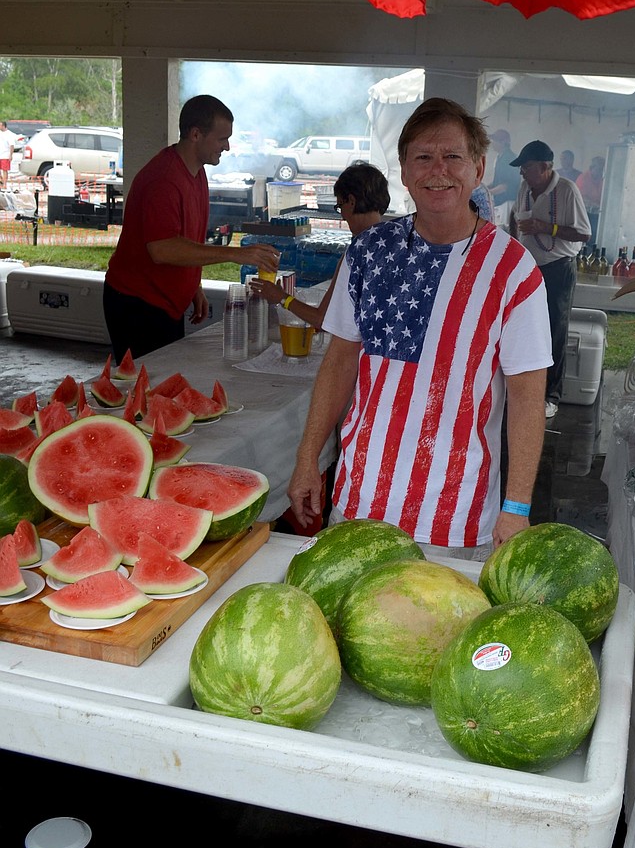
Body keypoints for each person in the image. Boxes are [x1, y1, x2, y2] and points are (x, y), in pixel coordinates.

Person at [287, 97, 552, 557]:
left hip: (454, 519)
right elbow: (339, 361)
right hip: (358, 503)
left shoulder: (513, 269)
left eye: (453, 156)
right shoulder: (369, 251)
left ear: (478, 168)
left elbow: (528, 394)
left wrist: (517, 505)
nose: (438, 171)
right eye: (423, 158)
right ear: (405, 172)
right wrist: (308, 457)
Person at [103, 94, 280, 360]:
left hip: (164, 302)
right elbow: (162, 249)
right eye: (222, 139)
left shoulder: (196, 172)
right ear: (196, 134)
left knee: (165, 385)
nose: (228, 147)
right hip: (137, 303)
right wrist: (236, 254)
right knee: (145, 390)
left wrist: (193, 285)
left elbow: (185, 238)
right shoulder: (163, 180)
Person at [250, 161, 390, 328]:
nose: (343, 217)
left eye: (340, 206)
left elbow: (322, 320)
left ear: (351, 201)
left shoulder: (357, 252)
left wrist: (281, 298)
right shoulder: (398, 243)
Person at [510, 139, 591, 419]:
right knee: (523, 327)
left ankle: (551, 395)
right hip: (528, 268)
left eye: (527, 167)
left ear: (545, 167)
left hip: (558, 267)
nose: (522, 172)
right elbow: (515, 219)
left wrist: (546, 227)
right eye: (521, 167)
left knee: (555, 329)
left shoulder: (567, 191)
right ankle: (523, 388)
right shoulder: (525, 189)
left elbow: (583, 233)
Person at [486, 127, 520, 226]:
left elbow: (505, 185)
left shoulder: (509, 158)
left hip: (507, 203)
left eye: (495, 140)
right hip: (500, 202)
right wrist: (484, 188)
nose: (492, 143)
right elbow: (497, 181)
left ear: (503, 142)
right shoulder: (500, 157)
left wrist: (487, 193)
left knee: (505, 231)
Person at [0, 121, 17, 191]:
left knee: (4, 170)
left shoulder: (9, 134)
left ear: (3, 126)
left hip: (5, 155)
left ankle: (4, 184)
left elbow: (12, 145)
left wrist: (10, 155)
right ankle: (1, 181)